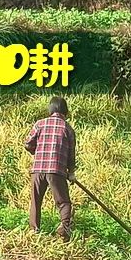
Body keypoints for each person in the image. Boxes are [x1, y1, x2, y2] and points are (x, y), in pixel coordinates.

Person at [25, 96, 77, 242]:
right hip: (57, 171)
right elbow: (71, 154)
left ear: (50, 110)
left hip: (38, 169)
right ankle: (64, 228)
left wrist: (38, 151)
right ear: (65, 112)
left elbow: (28, 144)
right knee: (63, 202)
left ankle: (34, 230)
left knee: (36, 200)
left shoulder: (39, 124)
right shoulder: (68, 129)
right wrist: (71, 172)